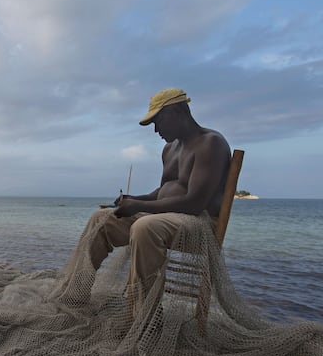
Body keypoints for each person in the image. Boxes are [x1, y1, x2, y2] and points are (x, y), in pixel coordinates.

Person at [87, 87, 231, 297]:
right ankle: (75, 292)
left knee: (145, 226)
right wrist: (134, 199)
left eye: (158, 121)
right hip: (167, 219)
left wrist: (138, 206)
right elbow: (163, 192)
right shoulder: (170, 148)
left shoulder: (210, 143)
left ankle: (144, 316)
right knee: (100, 219)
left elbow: (194, 203)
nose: (156, 130)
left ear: (177, 112)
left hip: (201, 225)